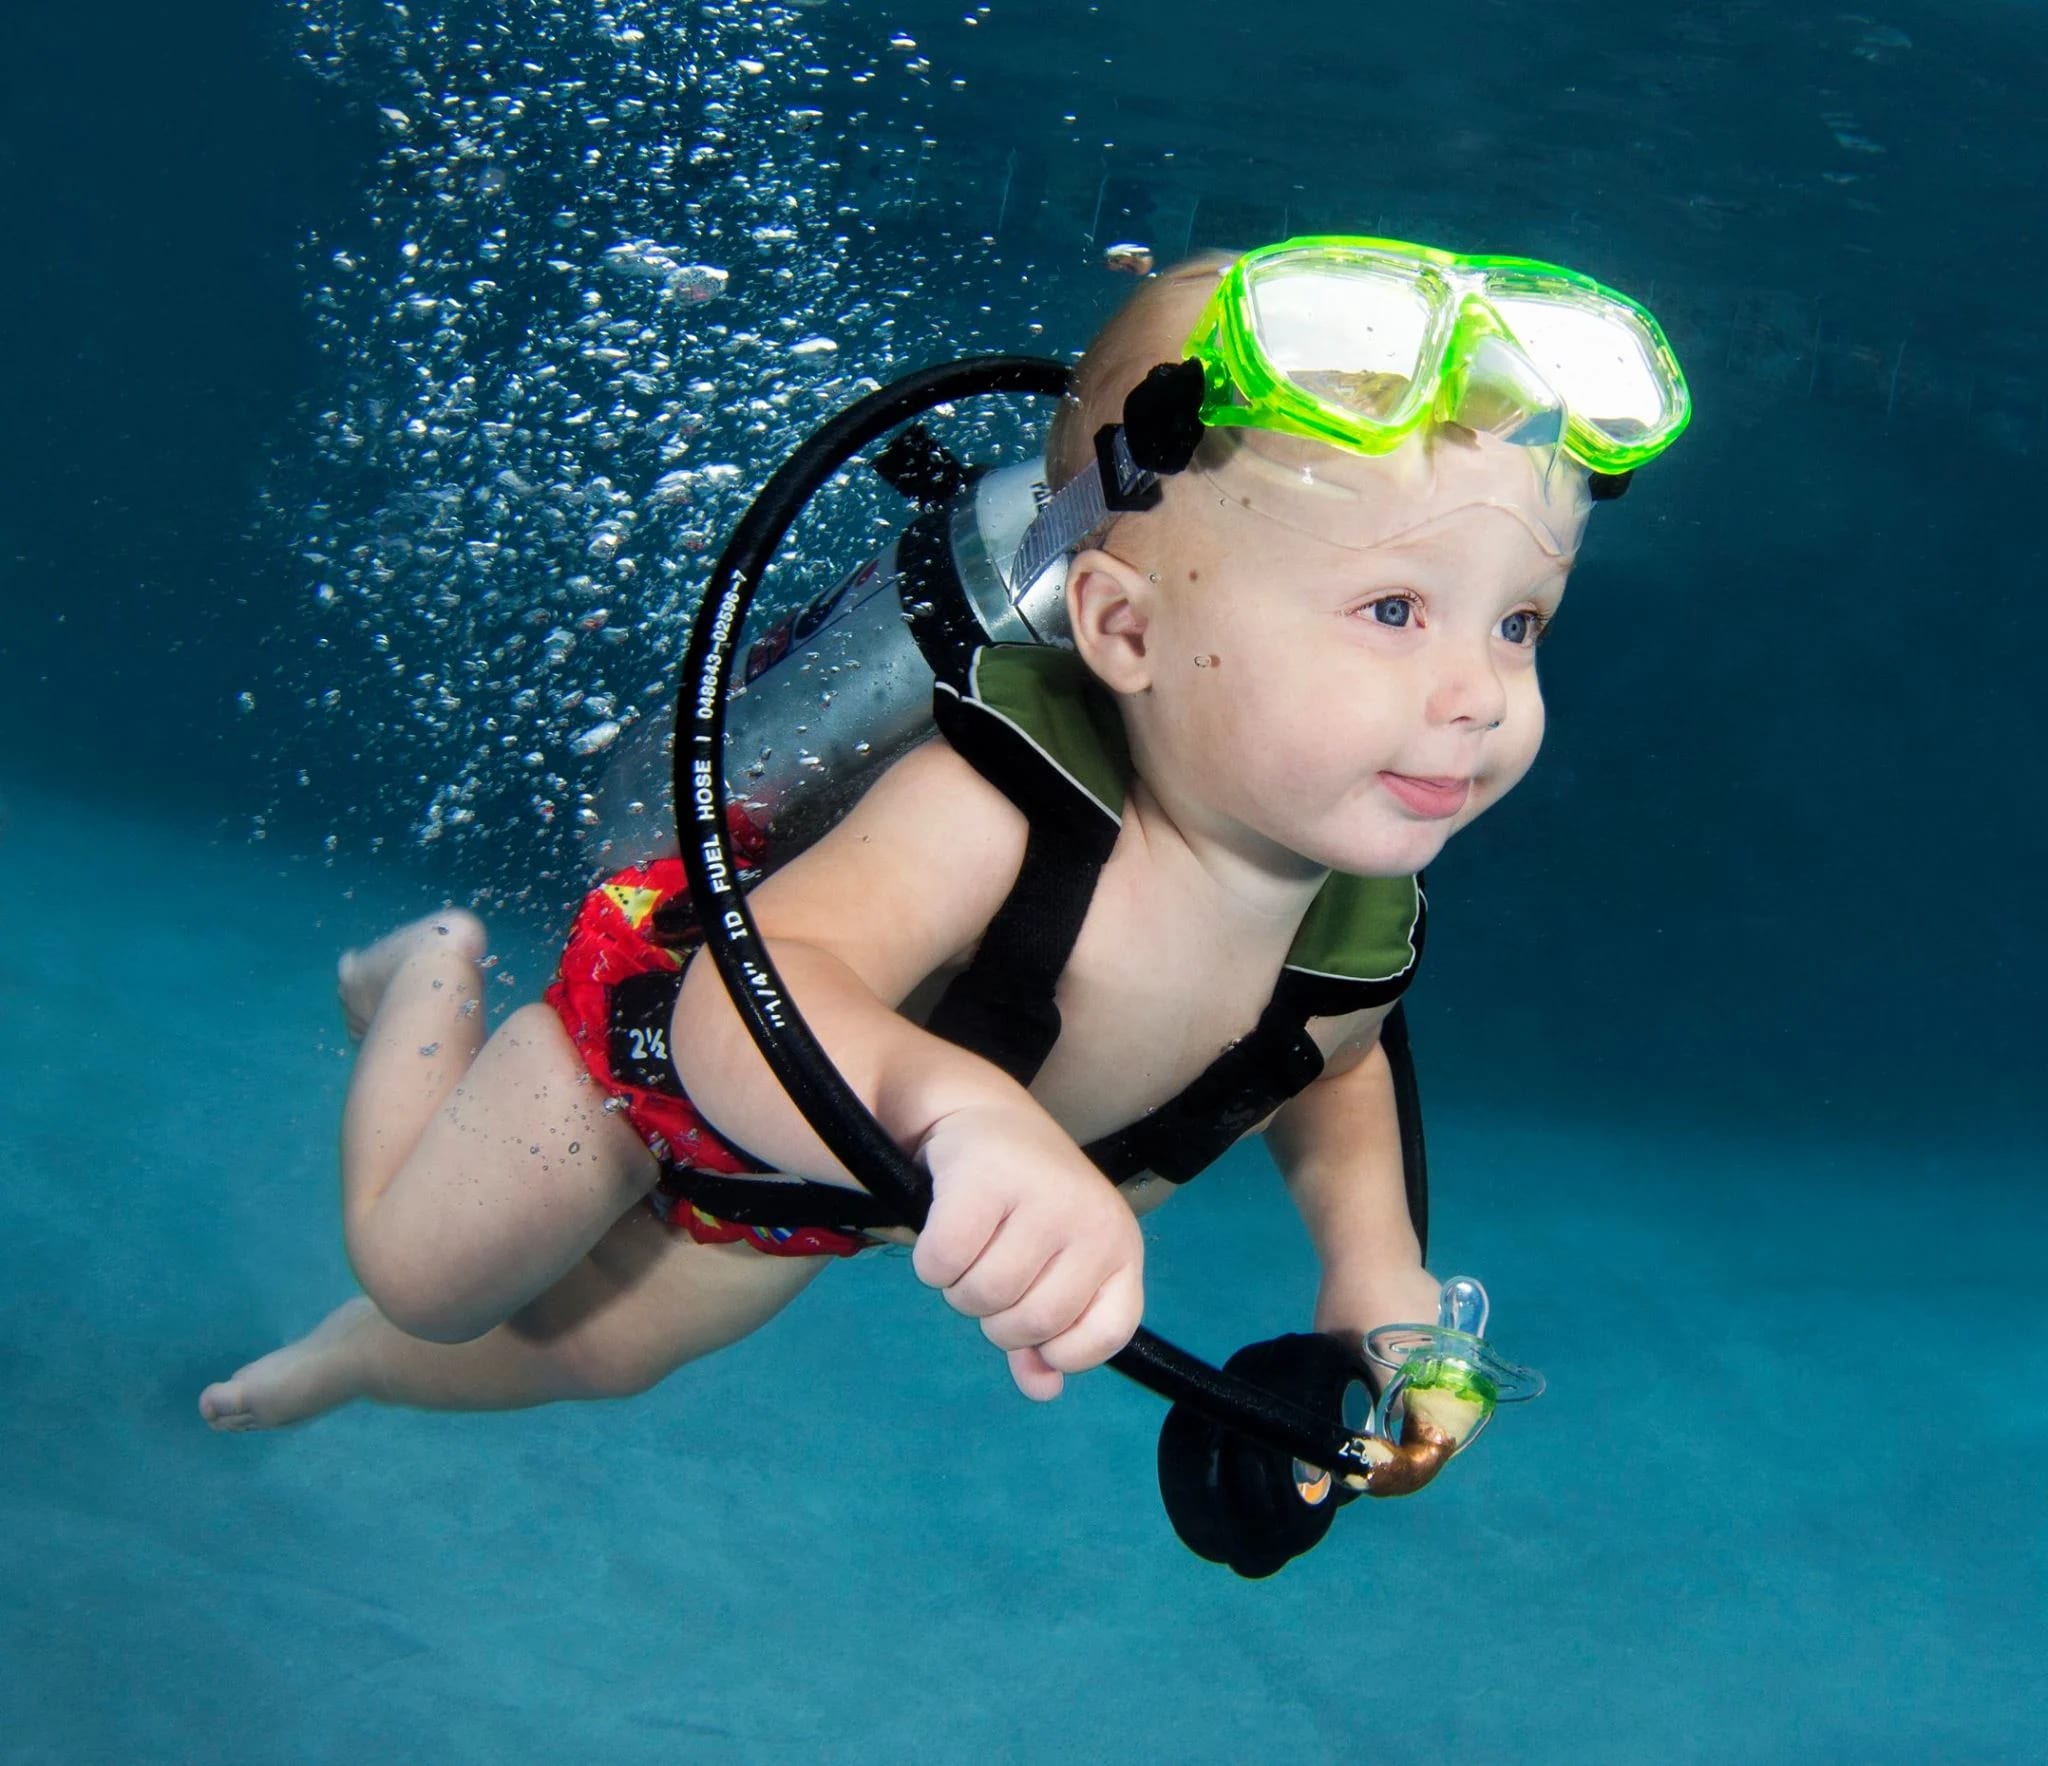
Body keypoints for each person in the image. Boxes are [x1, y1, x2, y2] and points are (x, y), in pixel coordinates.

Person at [200, 237, 1688, 1439]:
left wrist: (1369, 1265)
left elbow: (1335, 1062)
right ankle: (428, 971)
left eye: (1519, 623)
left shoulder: (1353, 915)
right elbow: (749, 1004)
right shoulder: (1005, 803)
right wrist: (962, 1116)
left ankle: (347, 1364)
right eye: (1393, 611)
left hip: (823, 1192)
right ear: (1122, 627)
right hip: (641, 1061)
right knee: (431, 1277)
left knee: (593, 1356)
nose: (1476, 694)